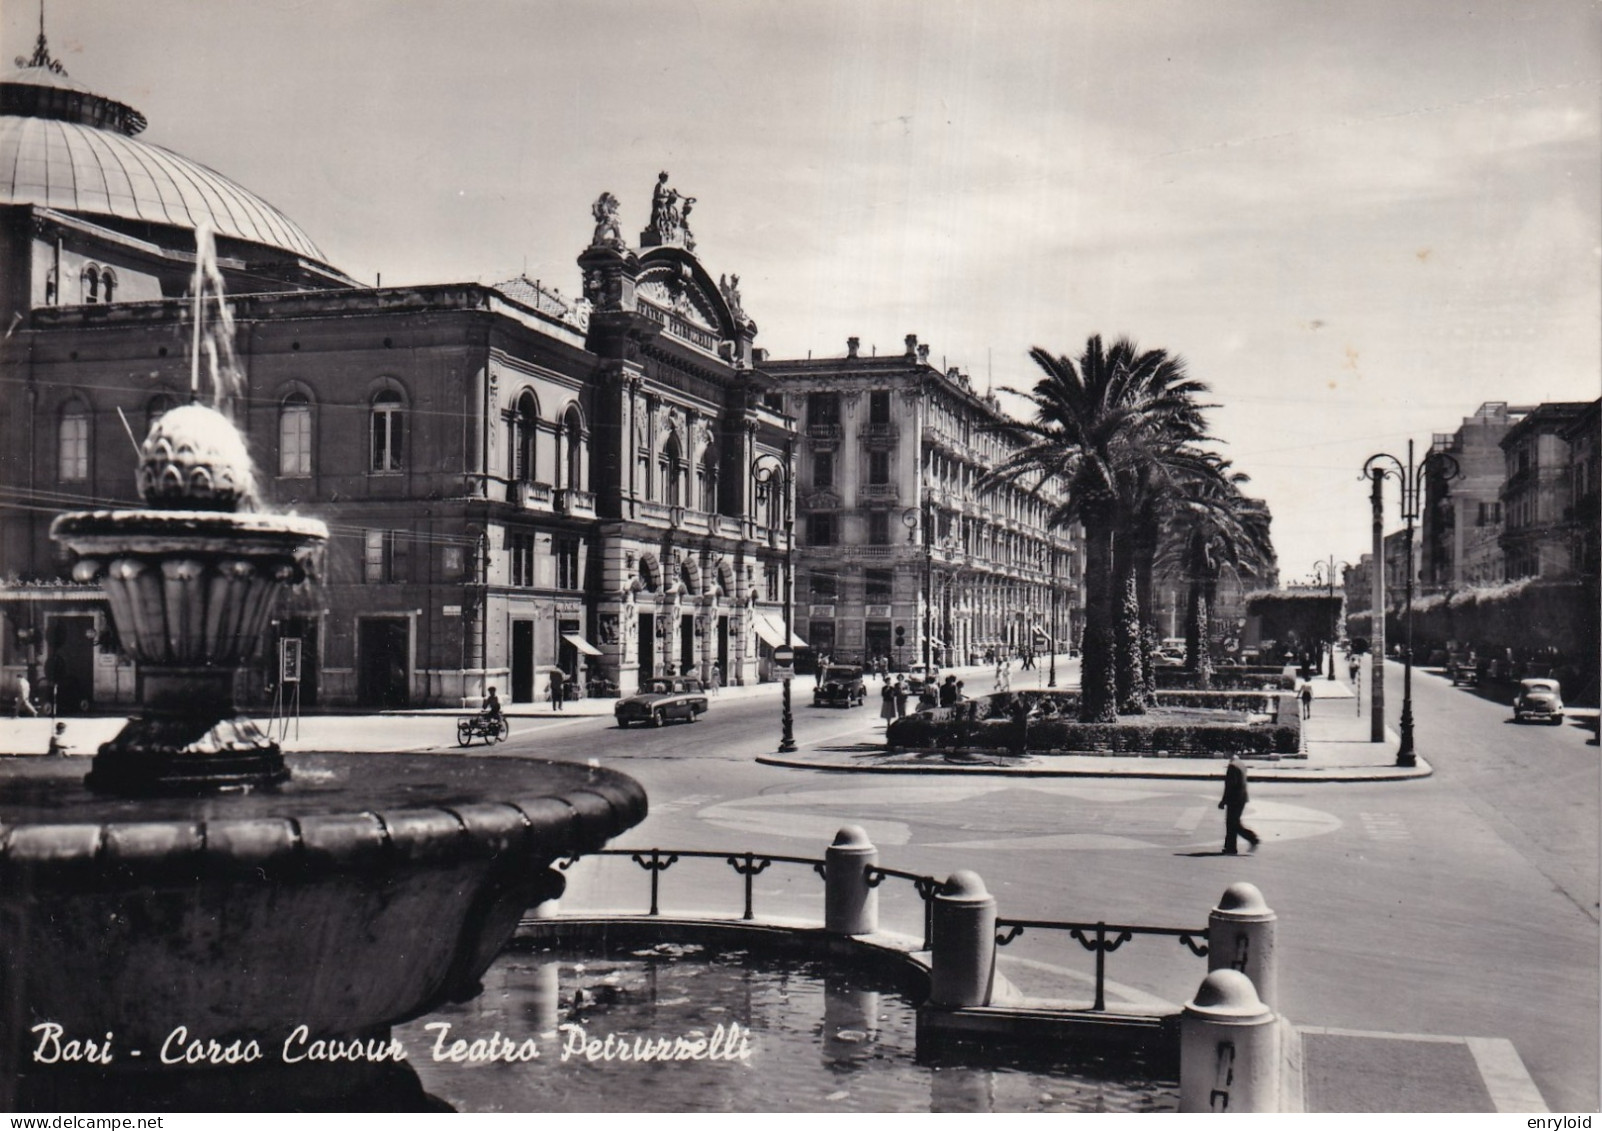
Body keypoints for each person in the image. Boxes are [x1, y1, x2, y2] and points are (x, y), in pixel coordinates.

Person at [1219, 755, 1259, 855]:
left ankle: (1252, 838)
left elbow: (1230, 786)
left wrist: (1223, 801)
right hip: (1241, 797)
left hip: (1234, 798)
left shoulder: (1232, 766)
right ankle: (1230, 847)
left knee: (1233, 823)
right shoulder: (1241, 764)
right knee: (1232, 823)